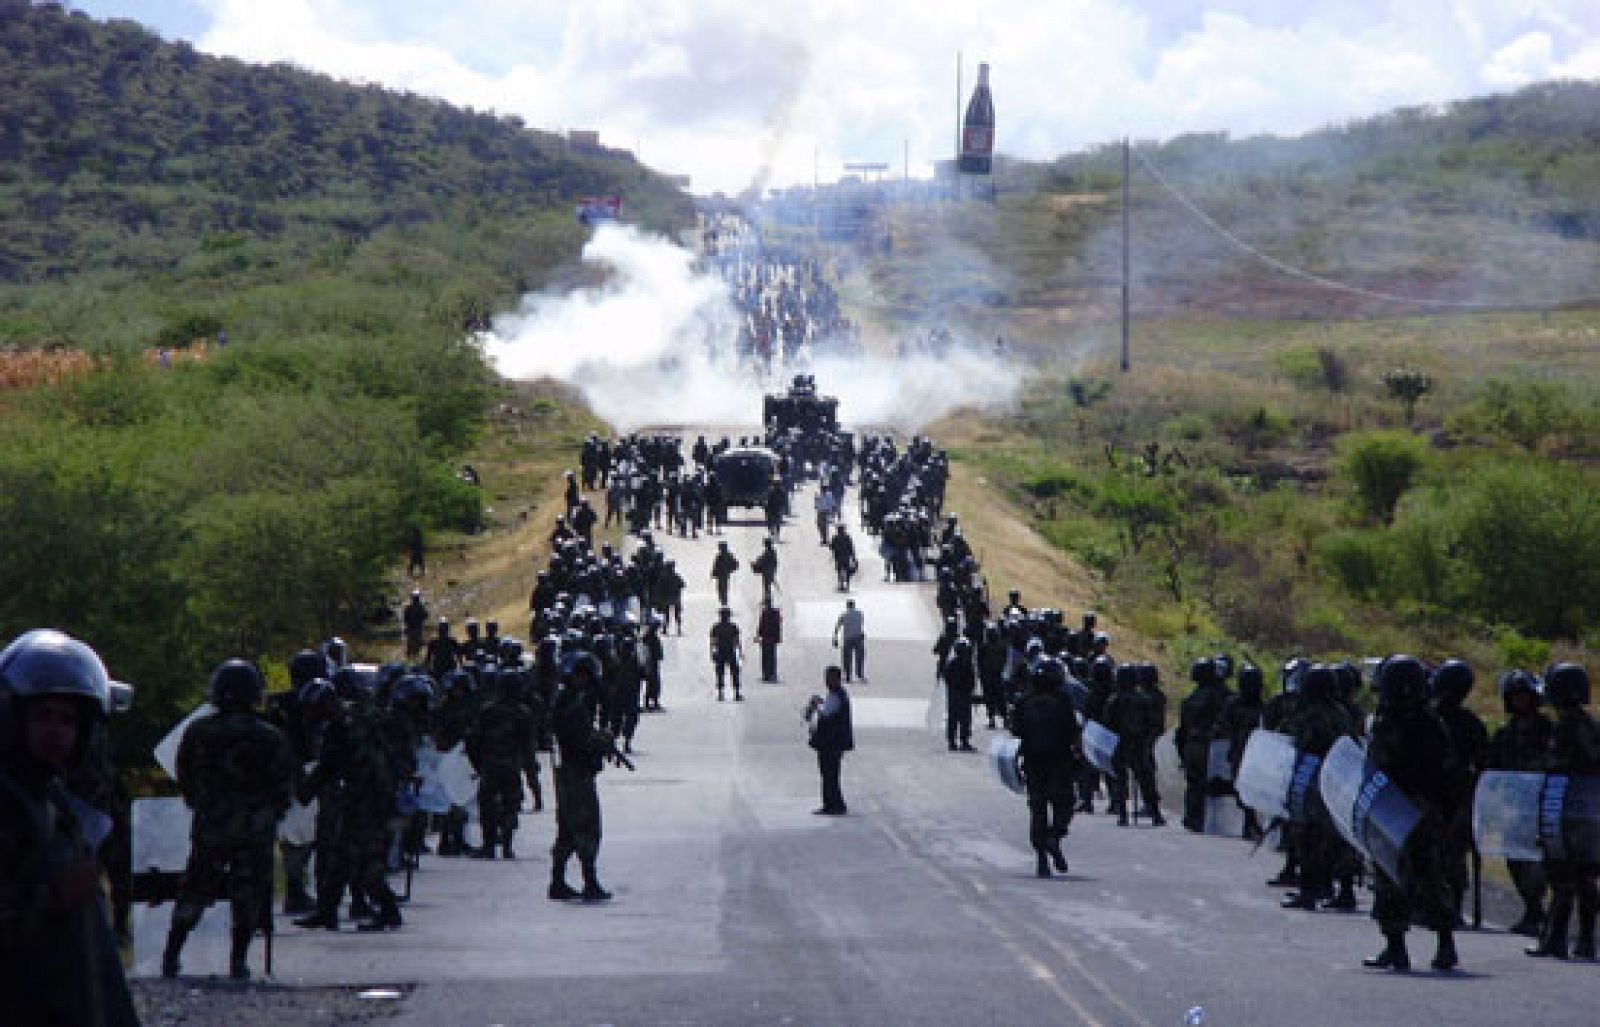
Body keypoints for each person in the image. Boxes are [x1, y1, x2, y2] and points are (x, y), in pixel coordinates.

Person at [0, 629, 140, 1026]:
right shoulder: (9, 804)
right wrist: (54, 897)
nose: (56, 731)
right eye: (44, 715)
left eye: (68, 720)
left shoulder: (55, 800)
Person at [163, 659, 295, 979]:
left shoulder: (199, 732)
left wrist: (199, 802)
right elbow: (284, 785)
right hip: (255, 827)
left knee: (195, 888)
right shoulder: (269, 736)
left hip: (212, 823)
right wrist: (272, 812)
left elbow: (184, 773)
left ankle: (172, 953)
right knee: (247, 895)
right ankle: (238, 961)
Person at [1363, 655, 1458, 973]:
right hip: (1427, 812)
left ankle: (1396, 947)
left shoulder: (1387, 725)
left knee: (1390, 876)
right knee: (1431, 875)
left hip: (1395, 809)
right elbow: (1447, 770)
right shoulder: (1433, 723)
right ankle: (1445, 946)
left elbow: (1378, 765)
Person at [1527, 662, 1600, 960]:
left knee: (1562, 877)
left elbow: (1555, 767)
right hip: (1592, 811)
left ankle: (1555, 939)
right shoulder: (1593, 725)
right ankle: (1585, 940)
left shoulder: (1565, 728)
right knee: (1586, 878)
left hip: (1568, 810)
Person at [1486, 670, 1551, 937]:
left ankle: (1541, 912)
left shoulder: (1548, 731)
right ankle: (1532, 908)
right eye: (1515, 697)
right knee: (1514, 858)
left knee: (1541, 861)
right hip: (1514, 809)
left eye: (1525, 696)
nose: (1520, 701)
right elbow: (1491, 769)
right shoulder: (1504, 735)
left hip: (1543, 805)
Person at [550, 655, 615, 902]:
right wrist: (601, 743)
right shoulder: (573, 706)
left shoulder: (564, 701)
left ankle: (557, 880)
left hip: (567, 773)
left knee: (567, 830)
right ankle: (590, 881)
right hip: (577, 775)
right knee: (587, 828)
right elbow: (581, 742)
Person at [1429, 659, 1489, 925]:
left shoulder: (1437, 719)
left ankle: (1445, 907)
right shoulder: (1468, 722)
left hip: (1449, 795)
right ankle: (1444, 905)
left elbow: (1484, 762)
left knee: (1447, 853)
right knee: (1448, 853)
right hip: (1451, 794)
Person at [1010, 658, 1081, 877]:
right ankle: (1054, 837)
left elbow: (1015, 731)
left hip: (1033, 763)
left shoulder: (1023, 702)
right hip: (1059, 762)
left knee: (1038, 809)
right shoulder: (1063, 702)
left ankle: (1042, 858)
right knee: (1065, 804)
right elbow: (1073, 731)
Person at [1175, 658, 1232, 833]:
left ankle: (1192, 818)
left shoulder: (1190, 699)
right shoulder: (1221, 696)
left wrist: (1181, 752)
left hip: (1191, 744)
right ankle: (1207, 819)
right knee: (1211, 784)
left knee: (1193, 783)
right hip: (1209, 745)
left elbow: (1182, 729)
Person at [808, 667, 854, 815]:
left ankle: (834, 804)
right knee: (829, 774)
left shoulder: (837, 696)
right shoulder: (836, 694)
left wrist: (816, 705)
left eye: (830, 678)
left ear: (837, 679)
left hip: (832, 742)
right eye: (826, 678)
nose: (827, 681)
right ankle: (833, 803)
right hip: (833, 742)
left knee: (829, 774)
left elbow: (826, 713)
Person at [943, 637, 978, 752]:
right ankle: (955, 741)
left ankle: (961, 741)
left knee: (962, 718)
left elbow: (972, 680)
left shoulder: (965, 664)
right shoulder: (954, 664)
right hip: (957, 695)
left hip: (961, 695)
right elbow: (947, 678)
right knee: (957, 718)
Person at [710, 607, 744, 701]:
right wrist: (740, 652)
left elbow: (713, 641)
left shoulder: (716, 627)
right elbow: (737, 641)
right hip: (731, 652)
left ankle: (721, 694)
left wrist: (712, 652)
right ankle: (737, 693)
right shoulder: (733, 627)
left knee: (720, 673)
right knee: (735, 672)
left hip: (720, 652)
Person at [832, 599, 866, 683]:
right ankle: (860, 674)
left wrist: (835, 639)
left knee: (847, 657)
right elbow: (860, 625)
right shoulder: (859, 614)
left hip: (848, 639)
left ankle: (848, 676)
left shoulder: (844, 615)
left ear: (847, 606)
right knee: (859, 657)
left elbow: (837, 627)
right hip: (858, 638)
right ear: (854, 605)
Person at [757, 599, 783, 683]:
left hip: (766, 638)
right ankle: (772, 673)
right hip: (772, 638)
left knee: (765, 657)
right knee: (772, 656)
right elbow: (778, 625)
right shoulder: (776, 612)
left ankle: (766, 674)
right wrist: (778, 637)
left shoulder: (764, 613)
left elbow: (761, 625)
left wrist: (759, 635)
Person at [402, 589, 429, 657]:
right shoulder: (420, 607)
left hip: (412, 629)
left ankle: (412, 658)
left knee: (412, 645)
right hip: (416, 629)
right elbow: (425, 616)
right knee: (415, 645)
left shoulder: (409, 608)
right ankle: (414, 658)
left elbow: (405, 619)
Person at [752, 536, 779, 605]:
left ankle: (767, 600)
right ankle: (767, 599)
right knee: (767, 586)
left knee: (767, 587)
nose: (764, 545)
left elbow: (763, 560)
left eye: (765, 543)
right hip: (769, 572)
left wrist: (756, 563)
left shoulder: (768, 553)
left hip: (768, 572)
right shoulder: (771, 552)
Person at [830, 524, 857, 592]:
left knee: (839, 570)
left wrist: (834, 550)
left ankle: (841, 585)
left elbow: (832, 547)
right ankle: (847, 585)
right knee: (847, 571)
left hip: (838, 556)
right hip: (846, 556)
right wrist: (853, 556)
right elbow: (851, 547)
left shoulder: (835, 538)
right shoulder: (847, 537)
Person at [711, 541, 739, 607]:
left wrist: (714, 573)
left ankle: (723, 601)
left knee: (721, 588)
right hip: (724, 574)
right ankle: (724, 601)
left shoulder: (721, 556)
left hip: (722, 574)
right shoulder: (727, 555)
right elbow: (735, 564)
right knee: (723, 588)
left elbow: (716, 565)